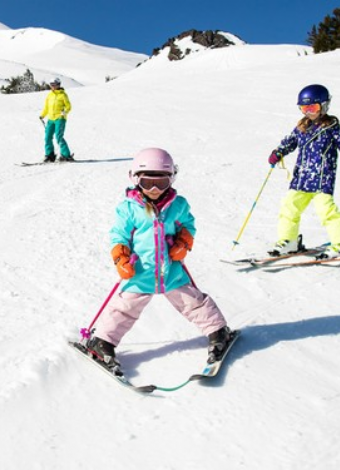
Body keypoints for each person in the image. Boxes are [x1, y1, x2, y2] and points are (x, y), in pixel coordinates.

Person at [86, 147, 231, 368]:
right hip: (141, 272)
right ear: (135, 179)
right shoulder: (128, 208)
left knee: (194, 303)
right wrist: (121, 258)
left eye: (161, 183)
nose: (154, 189)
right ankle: (102, 342)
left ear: (171, 179)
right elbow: (119, 236)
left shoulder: (178, 205)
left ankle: (218, 331)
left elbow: (188, 226)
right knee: (124, 309)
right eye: (147, 182)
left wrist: (183, 243)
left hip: (171, 270)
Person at [268, 84, 340, 259]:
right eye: (304, 108)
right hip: (302, 178)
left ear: (324, 106)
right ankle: (289, 240)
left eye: (313, 107)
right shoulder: (302, 127)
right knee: (289, 207)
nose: (309, 112)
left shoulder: (332, 128)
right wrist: (278, 152)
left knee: (326, 212)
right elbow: (290, 142)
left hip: (322, 178)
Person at [39, 77, 74, 162]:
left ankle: (66, 155)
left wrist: (64, 112)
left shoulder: (63, 95)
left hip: (60, 119)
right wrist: (42, 115)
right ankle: (50, 155)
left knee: (58, 137)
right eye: (51, 85)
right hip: (50, 119)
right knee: (47, 137)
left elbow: (68, 106)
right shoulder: (50, 95)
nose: (52, 86)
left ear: (58, 84)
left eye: (54, 85)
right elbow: (46, 107)